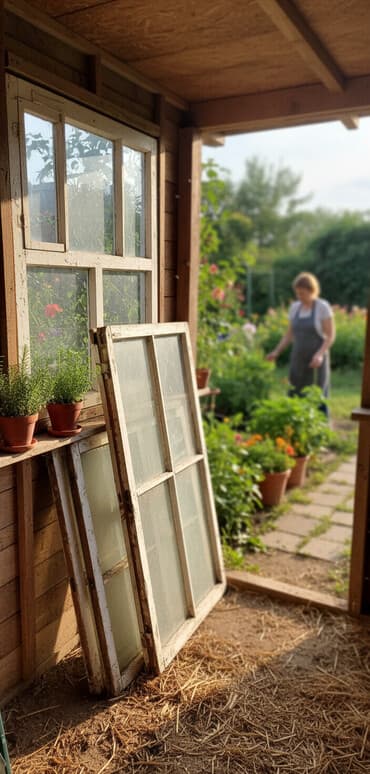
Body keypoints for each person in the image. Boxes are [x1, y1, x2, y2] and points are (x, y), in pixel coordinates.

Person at [266, 273, 335, 409]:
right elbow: (289, 335)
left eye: (302, 293)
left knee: (317, 395)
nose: (299, 297)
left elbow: (330, 335)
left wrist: (320, 354)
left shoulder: (322, 307)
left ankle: (320, 428)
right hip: (298, 359)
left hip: (316, 361)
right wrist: (276, 352)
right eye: (297, 294)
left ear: (312, 291)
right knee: (295, 392)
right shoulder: (295, 308)